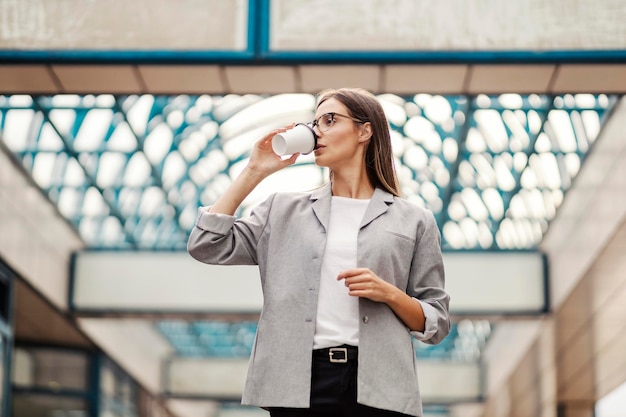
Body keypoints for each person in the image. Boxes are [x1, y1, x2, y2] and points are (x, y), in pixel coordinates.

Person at [187, 88, 450, 417]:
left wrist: (390, 294)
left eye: (329, 120)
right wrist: (255, 171)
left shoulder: (414, 220)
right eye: (314, 123)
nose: (316, 132)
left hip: (381, 383)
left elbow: (436, 322)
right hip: (299, 383)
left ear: (364, 131)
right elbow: (205, 244)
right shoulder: (281, 210)